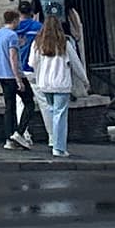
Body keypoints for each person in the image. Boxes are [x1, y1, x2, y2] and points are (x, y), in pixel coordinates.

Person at [29, 15, 81, 157]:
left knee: (52, 112)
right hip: (61, 84)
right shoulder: (64, 43)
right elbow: (76, 64)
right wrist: (84, 80)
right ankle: (59, 147)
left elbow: (31, 63)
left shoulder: (37, 44)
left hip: (45, 84)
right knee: (60, 115)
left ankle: (54, 140)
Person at [0, 3, 36, 149]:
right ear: (15, 20)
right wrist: (19, 79)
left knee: (9, 107)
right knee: (29, 103)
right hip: (13, 75)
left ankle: (9, 138)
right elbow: (13, 58)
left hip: (2, 74)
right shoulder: (12, 36)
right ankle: (19, 132)